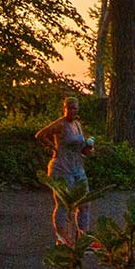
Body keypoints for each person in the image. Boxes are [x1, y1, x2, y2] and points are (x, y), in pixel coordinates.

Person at [36, 95, 96, 246]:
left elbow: (81, 148)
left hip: (77, 166)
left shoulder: (77, 124)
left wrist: (88, 148)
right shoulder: (60, 124)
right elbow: (41, 135)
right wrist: (54, 148)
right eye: (70, 108)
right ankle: (62, 238)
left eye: (75, 108)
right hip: (62, 167)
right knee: (63, 203)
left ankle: (84, 237)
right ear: (64, 109)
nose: (72, 111)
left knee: (84, 202)